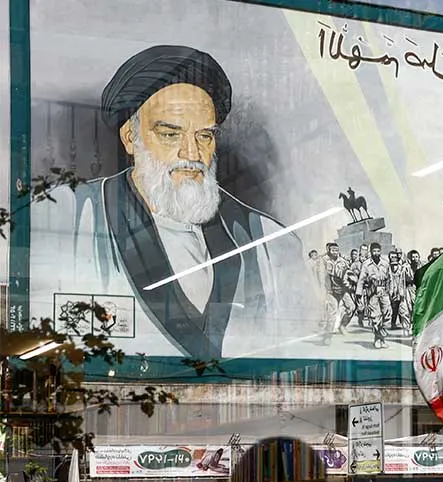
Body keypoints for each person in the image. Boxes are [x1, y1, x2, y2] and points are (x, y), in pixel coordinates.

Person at [28, 45, 322, 359]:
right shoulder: (66, 216)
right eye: (171, 135)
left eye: (204, 136)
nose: (192, 154)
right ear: (130, 138)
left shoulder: (270, 242)